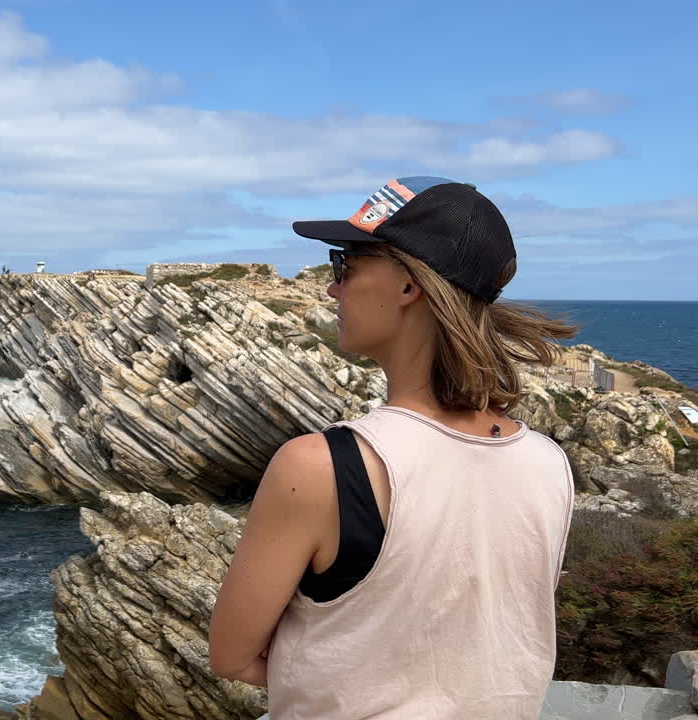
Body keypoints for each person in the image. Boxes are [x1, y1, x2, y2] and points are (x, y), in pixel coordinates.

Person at [208, 177, 577, 719]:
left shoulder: (322, 466)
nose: (333, 288)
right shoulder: (548, 462)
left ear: (408, 286)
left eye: (345, 266)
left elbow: (231, 656)